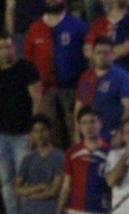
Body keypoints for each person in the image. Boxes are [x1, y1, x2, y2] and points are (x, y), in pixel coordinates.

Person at [0, 32, 42, 214]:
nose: (6, 51)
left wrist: (35, 129)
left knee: (23, 178)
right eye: (2, 48)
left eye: (9, 47)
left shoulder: (26, 68)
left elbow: (36, 98)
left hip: (23, 132)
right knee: (7, 181)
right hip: (1, 133)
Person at [25, 0, 87, 149]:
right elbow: (28, 64)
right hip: (46, 94)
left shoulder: (78, 26)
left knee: (76, 137)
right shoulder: (35, 29)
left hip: (73, 92)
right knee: (52, 140)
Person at [75, 36, 129, 145]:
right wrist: (76, 134)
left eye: (106, 53)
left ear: (113, 55)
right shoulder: (85, 76)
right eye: (99, 53)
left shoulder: (122, 77)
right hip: (89, 139)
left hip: (111, 137)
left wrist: (120, 135)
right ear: (93, 55)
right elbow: (78, 107)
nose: (102, 56)